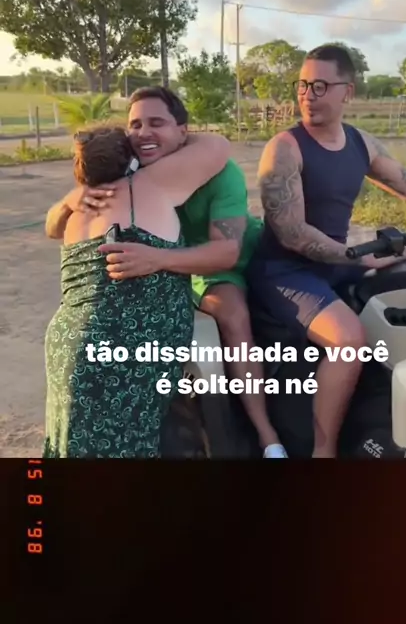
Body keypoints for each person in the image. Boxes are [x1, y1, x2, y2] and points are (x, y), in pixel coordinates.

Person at [247, 43, 406, 458]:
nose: (308, 95)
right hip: (286, 272)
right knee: (349, 339)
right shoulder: (284, 148)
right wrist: (358, 255)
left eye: (320, 86)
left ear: (347, 92)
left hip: (338, 263)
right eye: (303, 85)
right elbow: (292, 233)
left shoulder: (360, 143)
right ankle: (323, 453)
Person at [45, 87, 286, 458]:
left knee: (234, 315)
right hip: (176, 265)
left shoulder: (221, 174)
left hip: (225, 260)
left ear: (184, 131)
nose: (143, 133)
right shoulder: (134, 173)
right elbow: (53, 226)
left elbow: (225, 252)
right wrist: (68, 200)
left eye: (156, 123)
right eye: (135, 125)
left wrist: (157, 259)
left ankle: (265, 433)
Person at [43, 123, 230, 458]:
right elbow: (218, 145)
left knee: (72, 446)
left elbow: (49, 228)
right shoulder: (150, 183)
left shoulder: (78, 208)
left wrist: (69, 199)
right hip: (124, 348)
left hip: (67, 343)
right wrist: (163, 136)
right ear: (130, 159)